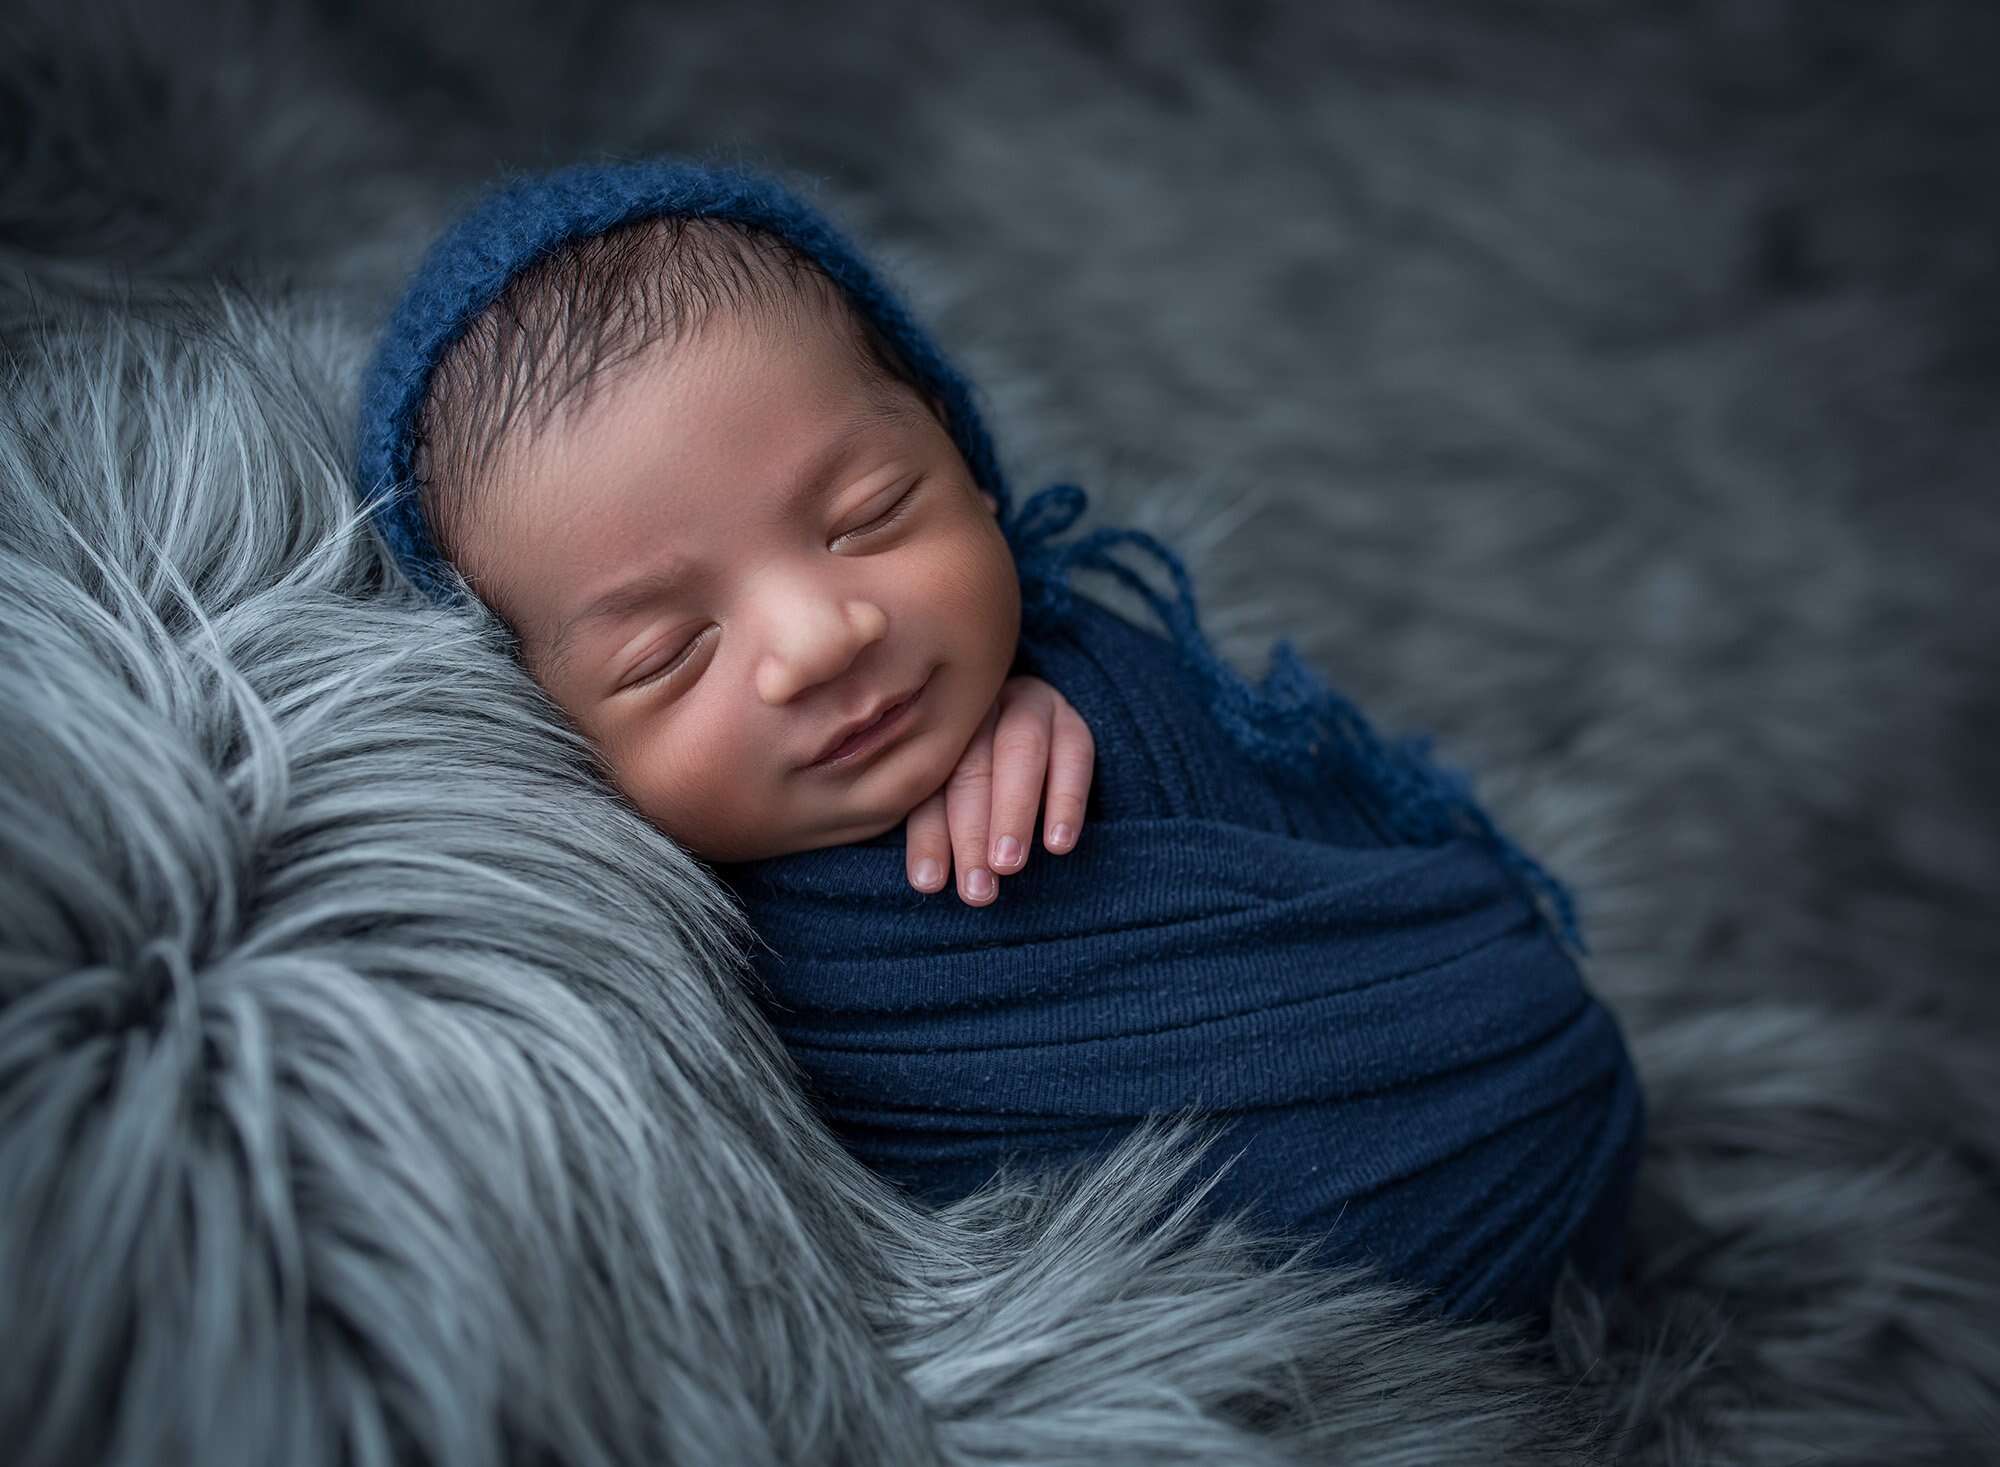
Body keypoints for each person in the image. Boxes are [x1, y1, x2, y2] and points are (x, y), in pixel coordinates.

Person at [353, 156, 1645, 1325]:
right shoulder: (613, 947)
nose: (819, 638)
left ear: (973, 474)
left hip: (1514, 1102)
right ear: (545, 731)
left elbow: (1346, 841)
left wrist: (1062, 695)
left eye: (867, 516)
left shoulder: (1114, 678)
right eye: (669, 654)